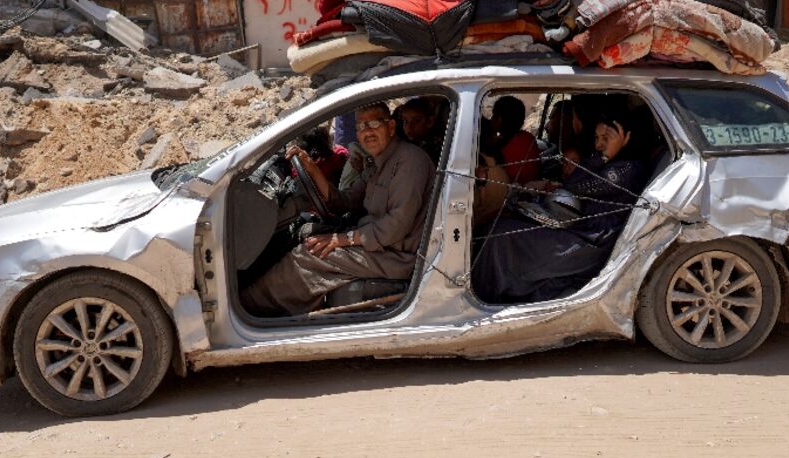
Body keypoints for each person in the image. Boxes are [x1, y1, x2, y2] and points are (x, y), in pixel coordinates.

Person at [242, 103, 436, 316]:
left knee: (309, 254)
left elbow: (395, 226)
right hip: (377, 244)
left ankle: (249, 309)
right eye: (361, 127)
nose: (367, 132)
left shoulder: (410, 160)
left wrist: (343, 239)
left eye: (374, 124)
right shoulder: (377, 164)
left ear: (390, 127)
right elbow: (346, 201)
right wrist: (313, 169)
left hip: (395, 255)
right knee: (305, 232)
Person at [471, 111, 646, 304]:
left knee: (500, 237)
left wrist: (603, 156)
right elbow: (572, 183)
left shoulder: (626, 169)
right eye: (597, 138)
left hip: (588, 245)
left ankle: (482, 297)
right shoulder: (610, 164)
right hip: (577, 231)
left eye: (607, 139)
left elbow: (574, 186)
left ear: (626, 138)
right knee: (501, 227)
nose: (599, 145)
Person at [488, 96, 541, 184]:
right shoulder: (528, 138)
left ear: (499, 119)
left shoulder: (497, 147)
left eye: (493, 115)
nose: (491, 119)